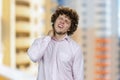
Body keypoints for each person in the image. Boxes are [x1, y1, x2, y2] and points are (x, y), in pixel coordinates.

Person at [27, 6, 84, 80]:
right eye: (60, 18)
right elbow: (34, 57)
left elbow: (79, 77)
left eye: (66, 21)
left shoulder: (75, 49)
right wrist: (47, 38)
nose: (62, 21)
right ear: (55, 21)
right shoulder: (40, 42)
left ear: (69, 28)